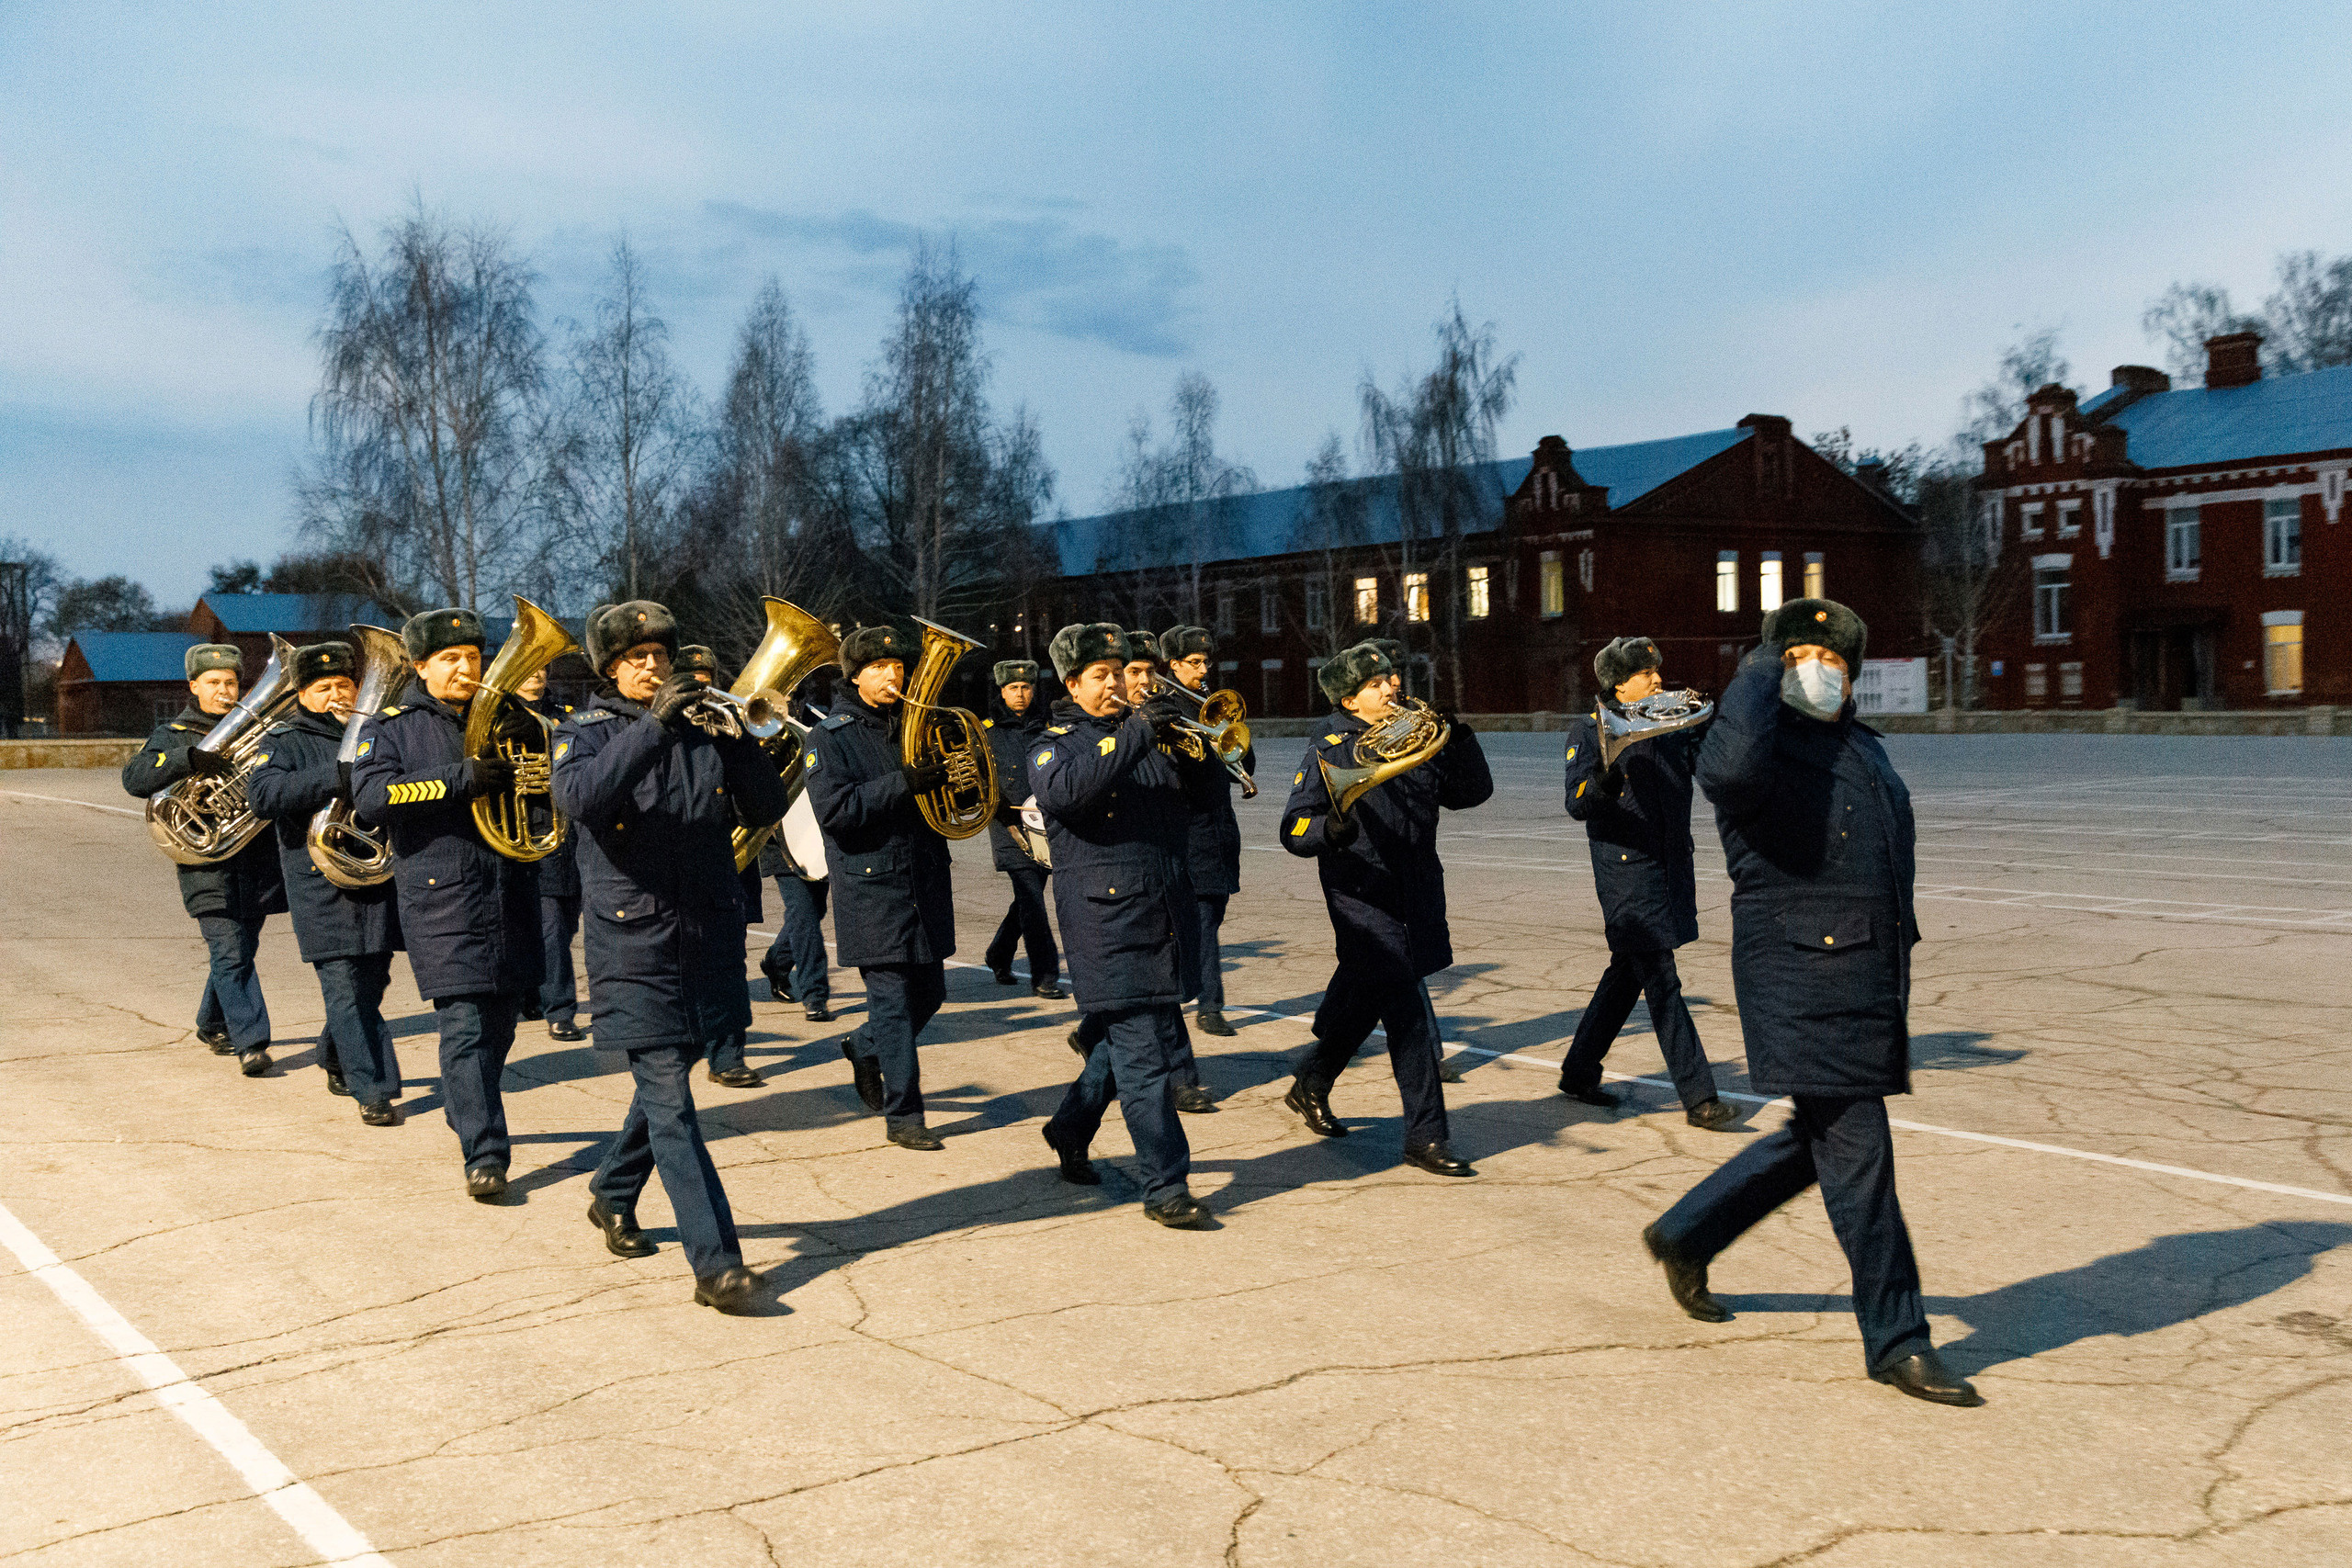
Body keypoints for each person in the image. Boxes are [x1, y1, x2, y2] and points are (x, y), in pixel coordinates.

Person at [1643, 598, 1981, 1407]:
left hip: (1864, 975)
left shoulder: (1857, 744)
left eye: (1831, 658)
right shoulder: (1752, 746)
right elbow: (1723, 773)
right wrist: (1762, 665)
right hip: (1802, 974)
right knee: (1859, 1151)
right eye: (1800, 656)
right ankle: (1898, 1338)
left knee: (1820, 1137)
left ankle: (1689, 1231)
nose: (1818, 668)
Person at [552, 603, 787, 1314]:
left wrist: (741, 737)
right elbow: (583, 798)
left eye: (661, 653)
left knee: (667, 1085)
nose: (653, 666)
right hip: (633, 940)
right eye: (636, 657)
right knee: (672, 1102)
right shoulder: (581, 733)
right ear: (610, 669)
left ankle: (612, 1190)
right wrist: (655, 728)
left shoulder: (704, 728)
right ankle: (717, 1265)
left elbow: (767, 802)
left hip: (705, 932)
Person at [352, 609, 544, 1201]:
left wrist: (537, 788)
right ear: (420, 667)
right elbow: (372, 796)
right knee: (464, 1024)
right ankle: (485, 1153)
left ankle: (467, 1108)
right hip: (443, 895)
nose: (467, 668)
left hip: (511, 887)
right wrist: (460, 778)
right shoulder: (392, 727)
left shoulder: (514, 719)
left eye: (473, 656)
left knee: (503, 1022)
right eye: (451, 659)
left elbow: (543, 793)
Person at [1278, 641, 1491, 1176]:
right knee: (1408, 1013)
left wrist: (1459, 736)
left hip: (1414, 888)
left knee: (1366, 1002)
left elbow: (1471, 793)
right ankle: (1426, 1137)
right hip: (1360, 897)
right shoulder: (1330, 749)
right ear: (1350, 700)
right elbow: (1294, 828)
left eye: (1391, 678)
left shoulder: (1413, 733)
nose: (1391, 687)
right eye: (1376, 684)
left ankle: (1312, 1081)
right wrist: (1331, 827)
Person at [1031, 623, 1216, 1226]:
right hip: (1107, 923)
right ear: (1071, 683)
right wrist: (1138, 731)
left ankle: (1069, 1126)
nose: (1117, 685)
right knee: (1145, 1061)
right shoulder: (1053, 746)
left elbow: (1202, 802)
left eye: (1121, 673)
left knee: (1131, 1045)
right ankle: (1166, 1186)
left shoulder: (1146, 739)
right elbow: (1068, 792)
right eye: (1102, 676)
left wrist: (1202, 747)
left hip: (1161, 915)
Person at [1559, 637, 1737, 1131]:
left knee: (1627, 974)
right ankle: (1700, 1097)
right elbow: (1577, 803)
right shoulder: (1592, 727)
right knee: (1661, 978)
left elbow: (1713, 769)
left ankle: (1578, 1071)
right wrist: (1605, 783)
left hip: (1670, 864)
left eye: (1657, 671)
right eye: (1647, 674)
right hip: (1626, 872)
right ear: (1619, 683)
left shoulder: (1666, 721)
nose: (1659, 680)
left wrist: (1708, 724)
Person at [805, 623, 956, 1151]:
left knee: (932, 993)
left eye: (898, 667)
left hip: (924, 880)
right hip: (872, 887)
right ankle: (906, 1116)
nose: (894, 676)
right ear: (855, 677)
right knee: (892, 1005)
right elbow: (837, 812)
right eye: (879, 669)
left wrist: (956, 783)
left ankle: (864, 1046)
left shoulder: (920, 727)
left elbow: (942, 807)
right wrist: (904, 782)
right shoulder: (830, 736)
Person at [245, 641, 405, 1123]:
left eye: (344, 684)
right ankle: (374, 1090)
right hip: (319, 881)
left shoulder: (379, 732)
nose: (337, 694)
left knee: (372, 982)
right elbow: (264, 794)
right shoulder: (284, 738)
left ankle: (335, 1056)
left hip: (377, 877)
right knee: (345, 988)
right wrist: (335, 777)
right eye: (323, 687)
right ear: (302, 693)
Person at [120, 642, 287, 1077]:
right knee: (230, 951)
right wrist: (189, 759)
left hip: (256, 862)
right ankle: (251, 1042)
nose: (224, 691)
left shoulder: (263, 729)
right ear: (194, 686)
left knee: (240, 951)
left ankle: (211, 1021)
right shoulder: (176, 733)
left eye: (231, 682)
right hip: (206, 865)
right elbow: (135, 778)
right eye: (213, 683)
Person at [672, 645, 765, 1089]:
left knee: (730, 962)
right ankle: (687, 1045)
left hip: (729, 860)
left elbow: (762, 800)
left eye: (707, 676)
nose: (700, 684)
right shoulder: (670, 727)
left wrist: (746, 747)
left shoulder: (727, 724)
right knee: (684, 964)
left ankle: (728, 1055)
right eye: (691, 676)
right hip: (681, 862)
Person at [1158, 625, 1252, 1038]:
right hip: (1186, 827)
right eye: (1193, 662)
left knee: (1209, 915)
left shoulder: (1212, 705)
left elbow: (1243, 763)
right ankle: (1209, 1005)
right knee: (1202, 920)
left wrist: (1235, 743)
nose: (1202, 668)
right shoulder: (1164, 707)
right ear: (1174, 665)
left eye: (1205, 661)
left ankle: (1180, 993)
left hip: (1219, 827)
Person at [979, 658, 1063, 999]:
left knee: (1027, 901)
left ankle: (998, 954)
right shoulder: (986, 730)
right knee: (1032, 900)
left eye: (1026, 687)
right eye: (1013, 688)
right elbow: (976, 776)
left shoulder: (1047, 725)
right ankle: (1044, 975)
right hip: (1007, 824)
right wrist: (993, 803)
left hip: (1044, 823)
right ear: (1002, 690)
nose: (1020, 694)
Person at [515, 667, 586, 1043]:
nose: (536, 675)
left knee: (566, 925)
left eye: (542, 668)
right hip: (529, 832)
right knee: (552, 930)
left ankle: (532, 993)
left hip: (569, 835)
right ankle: (560, 1010)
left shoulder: (565, 713)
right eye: (528, 669)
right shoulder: (500, 717)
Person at [757, 682, 834, 1024]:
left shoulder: (818, 725)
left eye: (791, 697)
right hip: (779, 840)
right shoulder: (756, 730)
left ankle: (775, 961)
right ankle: (815, 995)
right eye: (780, 696)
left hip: (816, 835)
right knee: (804, 916)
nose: (785, 703)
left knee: (813, 910)